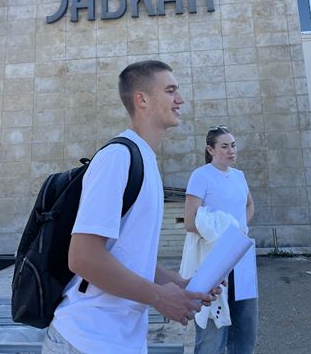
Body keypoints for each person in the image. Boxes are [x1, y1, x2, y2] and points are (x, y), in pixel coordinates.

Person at [42, 60, 214, 354]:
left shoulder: (145, 160)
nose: (180, 99)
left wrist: (181, 285)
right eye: (170, 90)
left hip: (122, 342)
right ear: (141, 99)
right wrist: (159, 297)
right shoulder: (118, 157)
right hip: (85, 341)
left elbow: (130, 255)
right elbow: (83, 257)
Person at [184, 125, 258, 354]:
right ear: (211, 149)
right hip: (213, 260)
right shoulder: (201, 176)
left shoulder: (239, 176)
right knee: (212, 334)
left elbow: (249, 206)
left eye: (233, 145)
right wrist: (225, 234)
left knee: (245, 328)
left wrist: (239, 230)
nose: (231, 151)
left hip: (242, 257)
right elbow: (190, 222)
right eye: (224, 146)